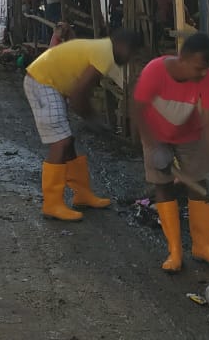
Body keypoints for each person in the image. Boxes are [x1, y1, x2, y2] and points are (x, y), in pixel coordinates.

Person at [130, 31, 209, 272]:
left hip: (189, 134)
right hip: (155, 132)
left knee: (200, 185)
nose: (201, 74)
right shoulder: (155, 72)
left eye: (205, 68)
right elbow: (137, 110)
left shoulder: (207, 79)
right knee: (162, 184)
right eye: (197, 68)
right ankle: (175, 251)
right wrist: (153, 147)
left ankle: (203, 246)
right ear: (182, 59)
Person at [24, 27, 142, 221]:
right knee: (60, 142)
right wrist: (93, 120)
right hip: (42, 81)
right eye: (132, 53)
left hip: (47, 81)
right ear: (123, 46)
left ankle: (82, 194)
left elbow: (79, 94)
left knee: (67, 141)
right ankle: (52, 204)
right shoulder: (105, 54)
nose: (130, 58)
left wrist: (90, 118)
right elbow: (79, 95)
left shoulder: (103, 48)